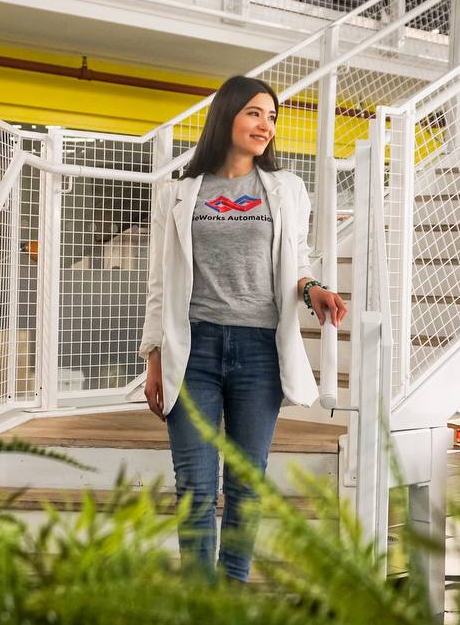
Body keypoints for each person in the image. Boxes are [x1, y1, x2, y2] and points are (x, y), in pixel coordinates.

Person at [138, 75, 348, 582]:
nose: (266, 126)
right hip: (193, 349)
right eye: (255, 113)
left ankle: (231, 592)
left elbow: (297, 262)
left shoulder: (287, 189)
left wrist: (313, 289)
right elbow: (159, 281)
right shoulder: (178, 193)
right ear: (226, 115)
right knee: (195, 486)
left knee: (246, 483)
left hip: (259, 351)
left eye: (272, 117)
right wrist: (153, 357)